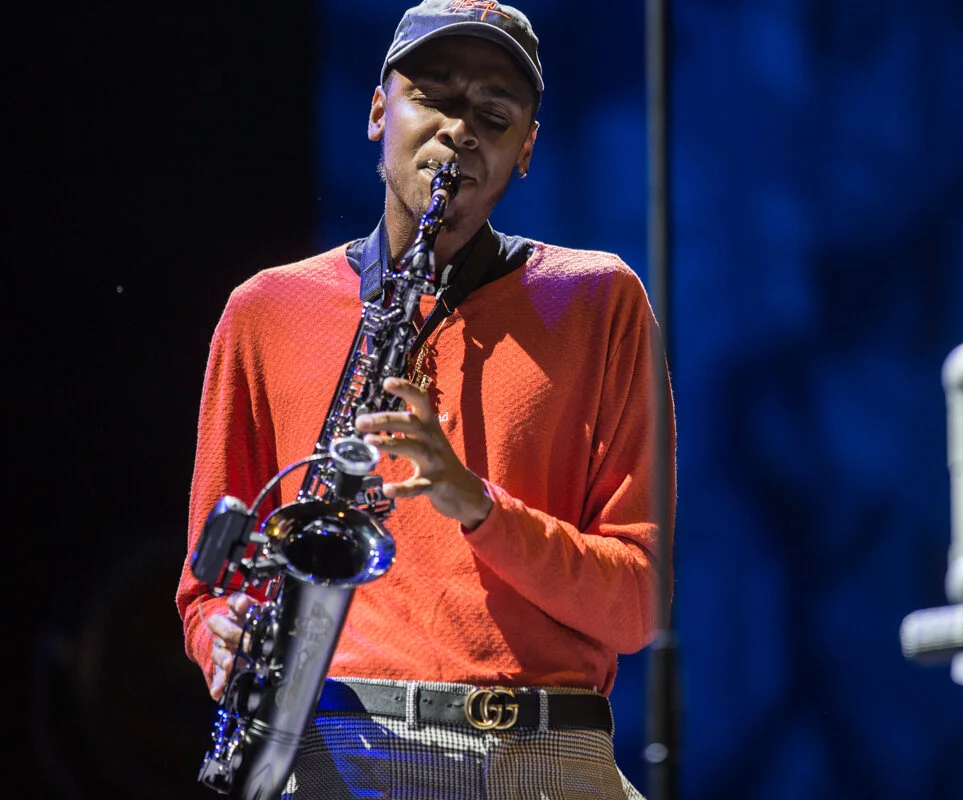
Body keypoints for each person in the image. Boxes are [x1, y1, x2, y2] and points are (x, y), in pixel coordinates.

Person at [174, 1, 676, 798]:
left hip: (547, 756)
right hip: (344, 753)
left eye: (494, 114)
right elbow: (211, 586)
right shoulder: (265, 311)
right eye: (435, 97)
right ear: (380, 111)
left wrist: (476, 505)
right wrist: (221, 638)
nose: (459, 131)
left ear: (525, 152)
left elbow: (637, 607)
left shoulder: (600, 301)